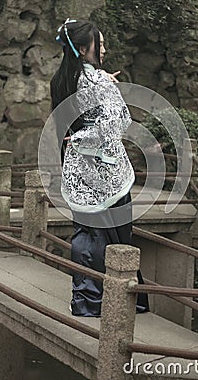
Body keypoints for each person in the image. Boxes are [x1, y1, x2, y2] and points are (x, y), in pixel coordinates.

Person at [50, 18, 150, 317]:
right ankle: (123, 300)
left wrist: (79, 136)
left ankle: (87, 300)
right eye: (100, 44)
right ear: (83, 48)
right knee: (116, 235)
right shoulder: (98, 81)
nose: (104, 49)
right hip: (107, 171)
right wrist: (104, 85)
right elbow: (120, 121)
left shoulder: (62, 79)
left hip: (79, 167)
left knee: (88, 231)